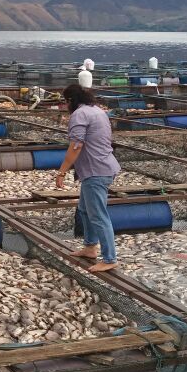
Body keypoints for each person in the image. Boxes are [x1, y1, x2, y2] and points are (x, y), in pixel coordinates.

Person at [54, 84, 121, 272]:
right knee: (84, 210)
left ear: (70, 101)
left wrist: (62, 172)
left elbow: (76, 145)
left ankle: (109, 258)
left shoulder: (80, 114)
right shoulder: (97, 111)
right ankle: (90, 247)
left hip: (96, 171)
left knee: (98, 215)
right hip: (100, 168)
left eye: (65, 102)